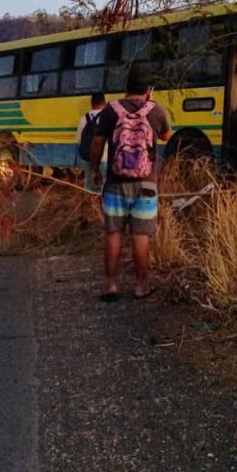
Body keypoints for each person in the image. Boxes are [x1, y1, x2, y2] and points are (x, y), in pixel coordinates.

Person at [89, 72, 172, 301]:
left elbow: (97, 142)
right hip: (146, 183)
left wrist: (94, 170)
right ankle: (141, 285)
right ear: (148, 89)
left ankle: (111, 285)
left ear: (126, 88)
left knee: (113, 232)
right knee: (141, 234)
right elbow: (166, 136)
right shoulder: (155, 110)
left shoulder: (111, 109)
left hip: (115, 183)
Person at [76, 92, 106, 191]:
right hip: (104, 158)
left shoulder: (84, 118)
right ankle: (100, 205)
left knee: (89, 183)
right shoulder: (108, 117)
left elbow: (79, 139)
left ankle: (88, 202)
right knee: (104, 186)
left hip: (89, 157)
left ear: (92, 104)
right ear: (104, 102)